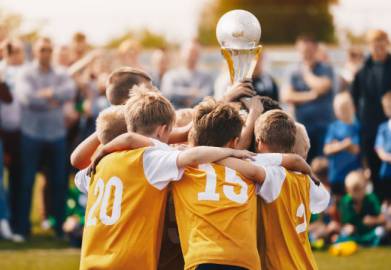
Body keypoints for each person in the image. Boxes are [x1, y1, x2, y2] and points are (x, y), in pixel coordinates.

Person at [75, 88, 255, 270]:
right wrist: (231, 151)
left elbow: (77, 164)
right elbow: (192, 156)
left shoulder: (101, 164)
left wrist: (104, 148)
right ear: (162, 130)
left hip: (90, 261)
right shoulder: (152, 158)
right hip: (127, 261)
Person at [252, 110, 330, 270]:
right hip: (306, 264)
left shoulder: (274, 175)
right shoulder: (305, 178)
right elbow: (323, 201)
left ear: (259, 142)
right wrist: (296, 159)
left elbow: (247, 162)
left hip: (280, 265)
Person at [14, 37, 76, 238]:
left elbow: (70, 91)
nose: (46, 53)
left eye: (49, 50)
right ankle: (23, 228)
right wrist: (53, 99)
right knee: (27, 182)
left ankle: (59, 228)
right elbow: (26, 98)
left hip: (56, 135)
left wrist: (47, 95)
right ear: (35, 52)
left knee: (59, 182)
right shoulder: (26, 73)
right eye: (42, 50)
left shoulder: (61, 73)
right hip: (31, 134)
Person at [282, 34, 335, 162]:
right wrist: (311, 95)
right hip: (301, 129)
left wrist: (306, 73)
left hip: (324, 128)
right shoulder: (292, 71)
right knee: (303, 165)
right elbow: (287, 96)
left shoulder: (326, 68)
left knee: (323, 166)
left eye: (309, 51)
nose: (306, 54)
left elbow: (323, 86)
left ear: (316, 50)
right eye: (303, 51)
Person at [351, 29, 391, 195]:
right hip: (369, 125)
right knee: (373, 166)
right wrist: (360, 118)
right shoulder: (362, 71)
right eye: (374, 45)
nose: (378, 48)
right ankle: (379, 204)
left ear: (387, 44)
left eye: (381, 44)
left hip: (389, 126)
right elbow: (354, 96)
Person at [0, 38, 25, 238]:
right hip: (3, 133)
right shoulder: (3, 67)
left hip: (19, 134)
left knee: (17, 181)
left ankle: (13, 223)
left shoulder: (26, 72)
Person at [324, 92, 361, 196]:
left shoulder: (357, 127)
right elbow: (327, 149)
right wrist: (345, 144)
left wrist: (337, 145)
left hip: (352, 175)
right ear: (336, 111)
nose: (344, 111)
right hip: (336, 175)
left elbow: (356, 149)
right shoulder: (333, 127)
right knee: (338, 203)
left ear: (353, 108)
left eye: (346, 108)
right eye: (341, 109)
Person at [161, 39, 213, 109]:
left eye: (196, 52)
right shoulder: (170, 75)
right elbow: (167, 92)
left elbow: (207, 95)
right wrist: (190, 92)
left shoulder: (206, 77)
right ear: (182, 52)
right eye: (190, 51)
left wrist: (192, 101)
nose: (192, 55)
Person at [338, 170, 385, 246]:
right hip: (354, 234)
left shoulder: (371, 198)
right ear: (348, 190)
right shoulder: (345, 202)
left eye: (359, 189)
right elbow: (343, 222)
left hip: (370, 232)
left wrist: (374, 220)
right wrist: (347, 227)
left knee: (380, 231)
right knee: (344, 233)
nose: (358, 193)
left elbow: (382, 218)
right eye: (354, 190)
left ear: (365, 187)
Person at [375, 91, 391, 202]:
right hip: (387, 173)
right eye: (387, 107)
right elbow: (379, 149)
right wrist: (388, 157)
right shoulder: (383, 128)